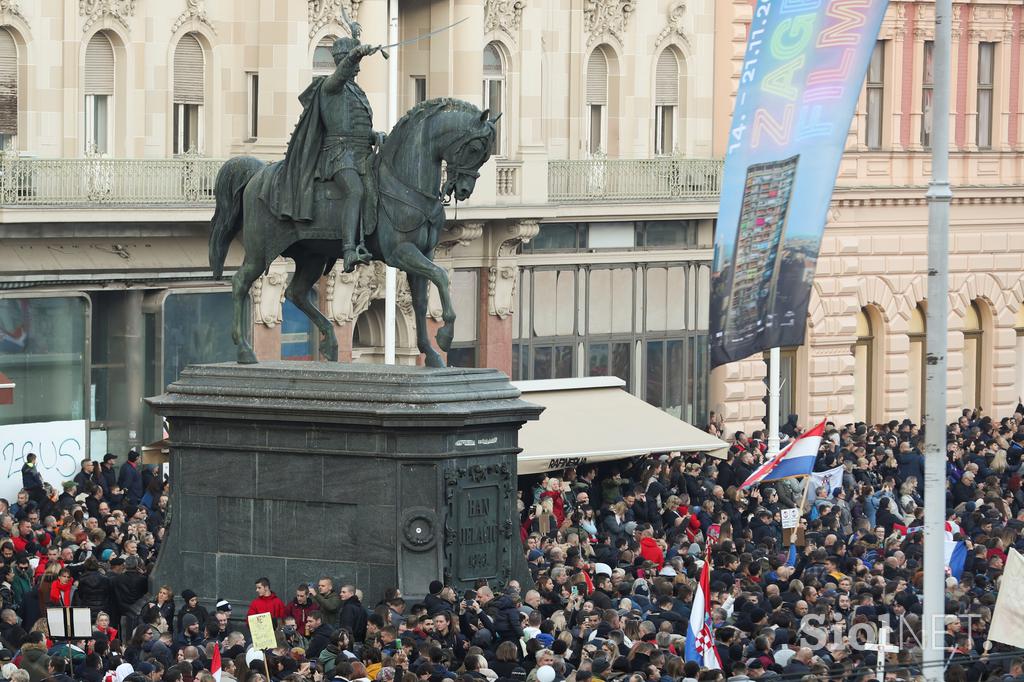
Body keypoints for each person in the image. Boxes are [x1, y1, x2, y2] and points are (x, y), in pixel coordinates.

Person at [265, 20, 386, 273]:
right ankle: (349, 250)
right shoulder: (330, 86)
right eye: (353, 63)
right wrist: (357, 52)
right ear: (344, 61)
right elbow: (340, 77)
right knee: (354, 191)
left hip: (360, 154)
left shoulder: (357, 91)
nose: (357, 68)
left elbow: (357, 127)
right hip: (338, 156)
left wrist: (375, 136)